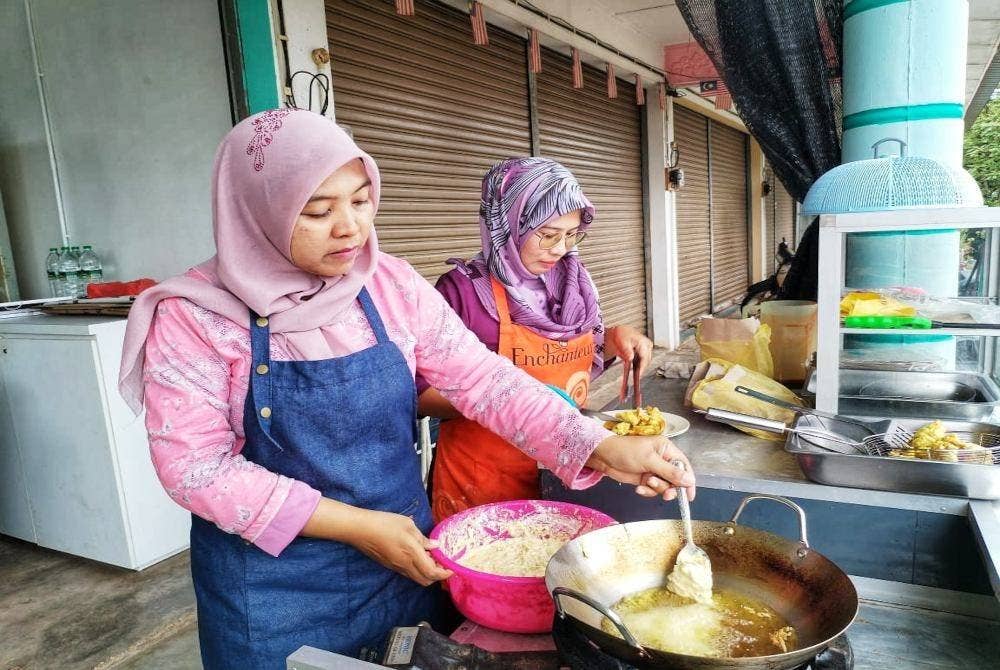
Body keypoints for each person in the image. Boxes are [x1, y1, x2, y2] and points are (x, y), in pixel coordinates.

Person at [118, 111, 694, 669]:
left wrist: (595, 443)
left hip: (403, 560)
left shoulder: (389, 285)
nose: (351, 227)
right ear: (254, 213)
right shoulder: (194, 318)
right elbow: (195, 469)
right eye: (318, 211)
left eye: (362, 201)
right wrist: (359, 528)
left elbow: (485, 380)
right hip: (274, 588)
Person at [418, 157, 655, 521]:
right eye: (548, 234)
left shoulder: (573, 283)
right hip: (483, 480)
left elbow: (573, 362)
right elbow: (421, 396)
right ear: (508, 223)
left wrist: (614, 339)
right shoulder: (462, 291)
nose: (561, 249)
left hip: (567, 467)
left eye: (572, 234)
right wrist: (516, 398)